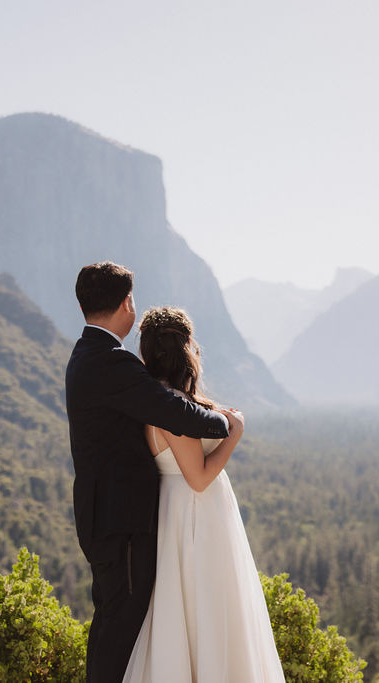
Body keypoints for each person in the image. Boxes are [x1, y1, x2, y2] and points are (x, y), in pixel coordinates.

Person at [65, 263, 232, 682]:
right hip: (121, 522)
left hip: (103, 517)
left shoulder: (85, 355)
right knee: (122, 630)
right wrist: (228, 425)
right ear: (126, 303)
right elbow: (176, 413)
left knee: (112, 625)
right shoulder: (112, 362)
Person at [122, 306, 285, 683]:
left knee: (193, 611)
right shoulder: (171, 406)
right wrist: (234, 434)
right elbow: (197, 478)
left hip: (183, 514)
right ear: (187, 349)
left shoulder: (156, 398)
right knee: (206, 611)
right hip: (195, 517)